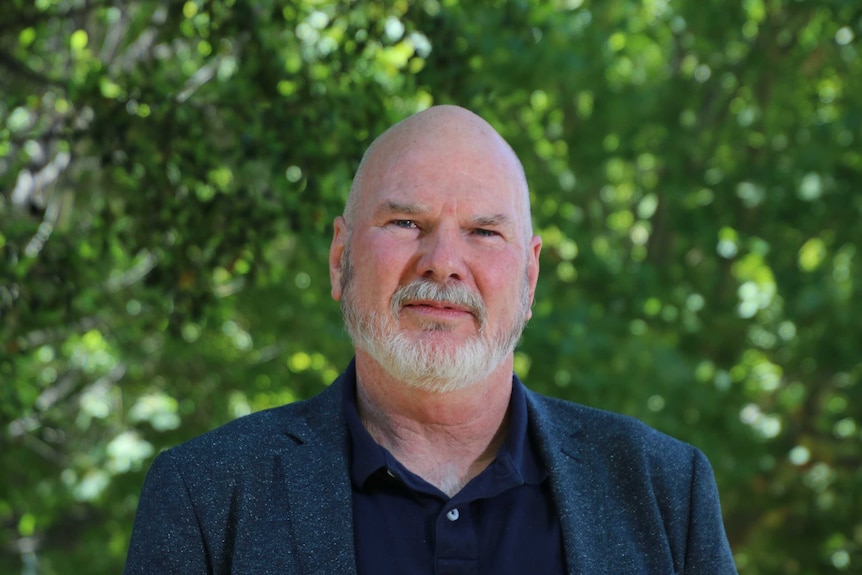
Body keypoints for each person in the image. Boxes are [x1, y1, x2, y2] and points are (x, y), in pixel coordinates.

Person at [124, 105, 737, 574]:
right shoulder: (206, 494)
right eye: (406, 223)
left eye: (483, 232)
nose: (443, 263)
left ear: (530, 274)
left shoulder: (664, 490)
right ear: (340, 259)